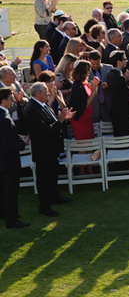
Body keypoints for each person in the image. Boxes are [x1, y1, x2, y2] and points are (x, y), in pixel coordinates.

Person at [25, 82, 74, 218]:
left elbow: (52, 121)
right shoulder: (32, 109)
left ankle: (54, 197)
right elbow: (44, 131)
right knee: (44, 179)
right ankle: (45, 206)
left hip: (51, 149)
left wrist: (62, 119)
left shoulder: (43, 105)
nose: (49, 94)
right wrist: (61, 120)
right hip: (43, 151)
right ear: (38, 94)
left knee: (52, 175)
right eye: (46, 92)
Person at [1, 87, 31, 228]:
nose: (13, 100)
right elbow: (8, 144)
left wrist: (18, 137)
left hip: (4, 160)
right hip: (9, 160)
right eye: (11, 98)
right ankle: (12, 219)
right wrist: (23, 143)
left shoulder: (3, 115)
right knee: (11, 190)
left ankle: (5, 213)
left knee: (5, 189)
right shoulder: (5, 119)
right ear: (4, 101)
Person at [69, 61, 100, 141]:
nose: (90, 71)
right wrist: (94, 93)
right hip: (81, 119)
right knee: (84, 144)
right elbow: (83, 105)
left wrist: (94, 87)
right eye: (87, 69)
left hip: (87, 117)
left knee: (90, 142)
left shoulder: (84, 84)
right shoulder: (77, 86)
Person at [106, 51, 129, 137]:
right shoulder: (120, 77)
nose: (126, 61)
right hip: (123, 112)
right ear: (118, 61)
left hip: (115, 110)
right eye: (124, 59)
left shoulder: (110, 74)